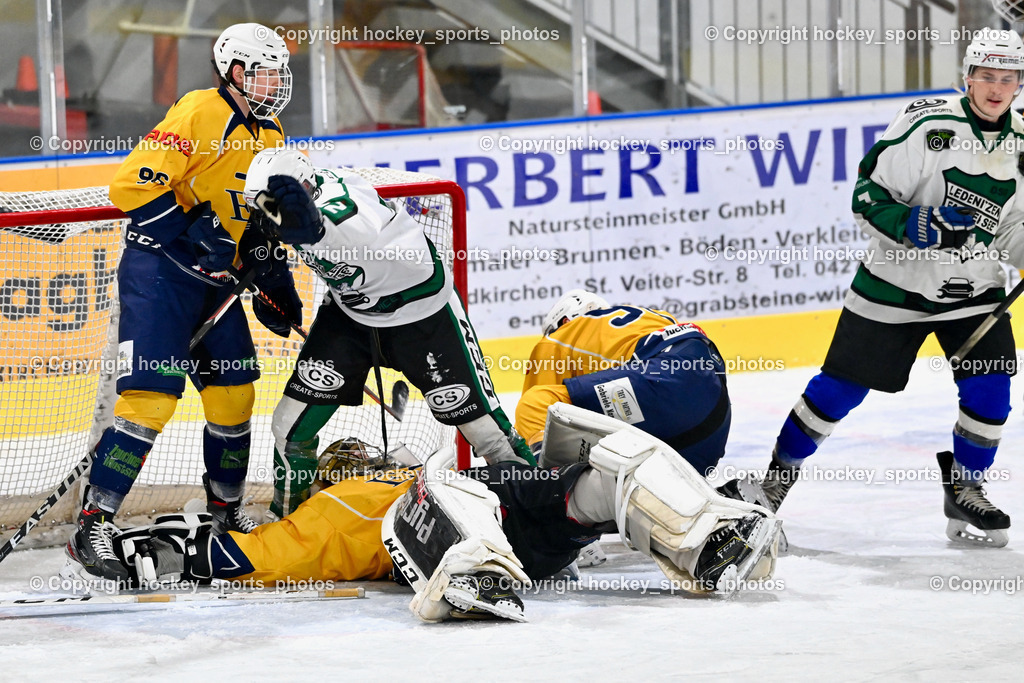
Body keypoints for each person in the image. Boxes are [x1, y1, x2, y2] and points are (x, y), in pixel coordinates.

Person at [735, 29, 1024, 548]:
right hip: (896, 285)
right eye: (987, 77)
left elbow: (1011, 228)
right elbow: (869, 195)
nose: (996, 88)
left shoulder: (1021, 142)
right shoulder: (929, 124)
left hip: (973, 288)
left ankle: (965, 487)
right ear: (968, 78)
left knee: (990, 386)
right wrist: (915, 224)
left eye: (1008, 79)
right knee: (839, 389)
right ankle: (776, 481)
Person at [109, 403, 782, 621]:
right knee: (439, 485)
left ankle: (708, 539)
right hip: (456, 530)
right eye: (348, 456)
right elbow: (263, 555)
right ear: (333, 475)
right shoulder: (339, 507)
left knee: (613, 459)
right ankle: (473, 576)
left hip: (510, 507)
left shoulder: (394, 472)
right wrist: (167, 553)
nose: (360, 455)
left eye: (357, 451)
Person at [66, 23, 302, 581]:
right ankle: (93, 524)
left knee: (235, 396)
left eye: (280, 73)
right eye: (267, 72)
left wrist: (272, 274)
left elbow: (259, 217)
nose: (277, 83)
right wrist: (194, 226)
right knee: (150, 400)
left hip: (218, 282)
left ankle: (224, 516)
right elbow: (131, 185)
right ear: (236, 72)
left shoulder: (271, 133)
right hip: (161, 274)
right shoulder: (199, 111)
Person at [238, 148, 536, 519]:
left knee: (487, 433)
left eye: (264, 206)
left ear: (306, 190)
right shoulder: (289, 201)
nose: (261, 214)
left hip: (423, 315)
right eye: (255, 205)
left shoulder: (343, 207)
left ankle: (541, 518)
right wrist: (270, 280)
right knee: (289, 426)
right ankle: (287, 523)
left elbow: (349, 228)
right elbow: (266, 238)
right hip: (351, 315)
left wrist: (316, 228)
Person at [515, 290, 730, 476]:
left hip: (660, 385)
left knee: (535, 403)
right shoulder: (651, 318)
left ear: (564, 322)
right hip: (714, 419)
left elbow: (543, 415)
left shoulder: (556, 338)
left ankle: (549, 484)